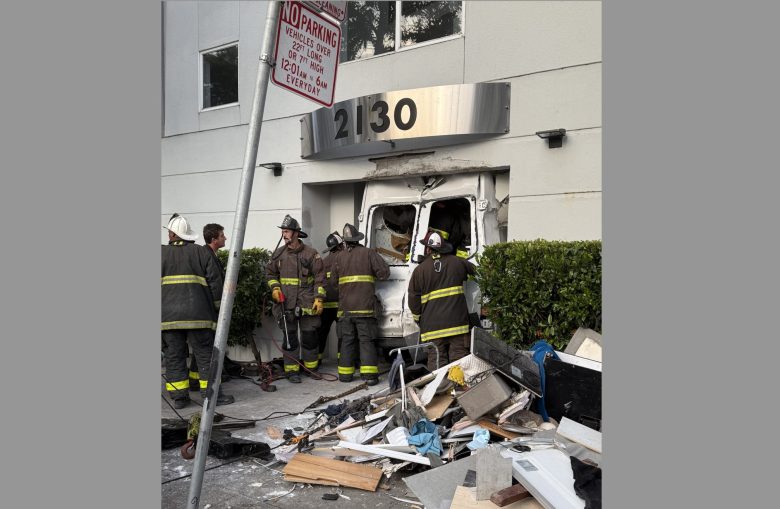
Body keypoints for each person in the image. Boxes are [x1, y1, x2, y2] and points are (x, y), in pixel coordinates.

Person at [161, 214, 234, 408]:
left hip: (168, 319)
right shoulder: (201, 252)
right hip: (199, 316)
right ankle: (211, 395)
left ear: (171, 234)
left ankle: (179, 398)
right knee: (205, 355)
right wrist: (220, 310)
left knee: (174, 356)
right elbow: (216, 284)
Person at [265, 215, 325, 383]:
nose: (284, 234)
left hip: (307, 303)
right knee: (290, 338)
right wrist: (275, 288)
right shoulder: (278, 254)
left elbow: (320, 278)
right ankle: (292, 371)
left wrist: (319, 298)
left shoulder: (311, 254)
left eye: (286, 231)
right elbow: (269, 273)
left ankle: (311, 368)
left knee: (310, 337)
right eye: (282, 231)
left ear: (296, 233)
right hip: (286, 304)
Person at [407, 230, 476, 372]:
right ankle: (459, 390)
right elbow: (476, 270)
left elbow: (413, 299)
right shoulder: (457, 262)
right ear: (443, 247)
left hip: (432, 327)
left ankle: (440, 390)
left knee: (437, 359)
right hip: (457, 324)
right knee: (459, 358)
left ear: (427, 248)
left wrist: (418, 318)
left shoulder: (419, 271)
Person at [331, 223, 390, 385]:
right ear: (357, 239)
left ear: (344, 241)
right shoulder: (369, 253)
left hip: (345, 310)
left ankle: (345, 375)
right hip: (365, 309)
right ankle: (370, 377)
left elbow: (333, 283)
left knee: (347, 340)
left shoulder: (338, 257)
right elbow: (384, 273)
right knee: (366, 341)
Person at [186, 223, 228, 392]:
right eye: (222, 235)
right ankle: (210, 391)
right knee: (207, 350)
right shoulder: (207, 256)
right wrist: (220, 309)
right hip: (207, 311)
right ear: (214, 239)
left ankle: (194, 380)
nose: (225, 238)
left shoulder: (206, 254)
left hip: (202, 310)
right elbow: (215, 285)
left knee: (200, 349)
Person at [313, 231, 344, 370]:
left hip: (325, 305)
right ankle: (342, 360)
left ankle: (317, 360)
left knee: (322, 333)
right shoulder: (344, 259)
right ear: (340, 245)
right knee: (343, 333)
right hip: (341, 304)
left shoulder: (323, 262)